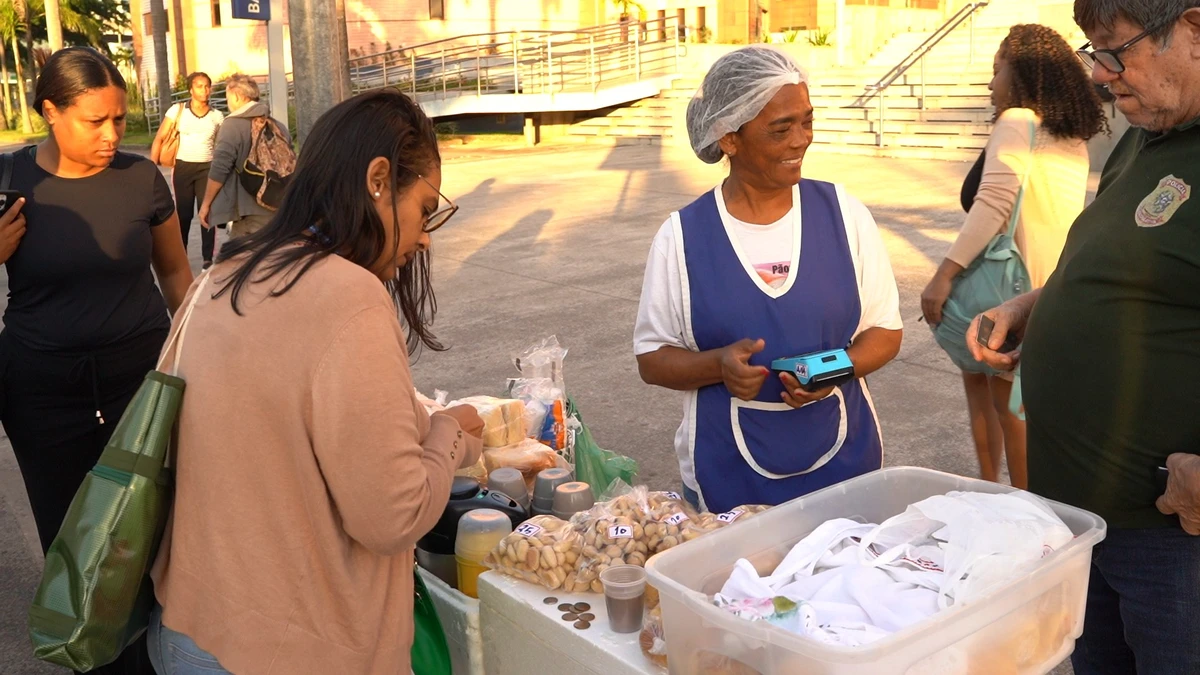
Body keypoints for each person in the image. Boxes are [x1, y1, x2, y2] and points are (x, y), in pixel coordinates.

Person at [148, 88, 484, 675]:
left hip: (184, 628)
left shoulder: (221, 277)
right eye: (425, 210)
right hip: (292, 651)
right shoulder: (351, 298)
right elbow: (393, 517)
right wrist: (448, 433)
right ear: (378, 179)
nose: (427, 236)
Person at [968, 2, 1200, 673]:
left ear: (1192, 27)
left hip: (1170, 540)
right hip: (1077, 517)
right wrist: (1035, 305)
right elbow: (1131, 267)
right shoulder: (1147, 131)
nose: (1100, 76)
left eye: (1115, 50)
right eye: (1091, 51)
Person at [634, 45, 903, 515]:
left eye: (807, 121)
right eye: (781, 128)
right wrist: (717, 365)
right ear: (729, 138)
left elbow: (885, 331)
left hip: (845, 464)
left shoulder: (843, 214)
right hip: (729, 474)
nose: (801, 140)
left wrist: (835, 370)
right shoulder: (683, 236)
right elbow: (653, 359)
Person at [0, 47, 193, 675]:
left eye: (118, 118)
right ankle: (93, 655)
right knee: (71, 532)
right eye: (95, 121)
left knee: (150, 525)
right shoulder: (11, 182)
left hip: (138, 380)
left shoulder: (141, 179)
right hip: (41, 390)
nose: (112, 135)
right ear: (50, 112)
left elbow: (175, 275)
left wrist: (200, 357)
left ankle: (156, 648)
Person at [920, 24, 1107, 490]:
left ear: (1020, 72)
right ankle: (1006, 496)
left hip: (1006, 293)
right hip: (1047, 283)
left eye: (997, 69)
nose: (990, 82)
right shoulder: (1067, 133)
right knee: (1010, 399)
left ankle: (1013, 500)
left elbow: (995, 203)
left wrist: (943, 275)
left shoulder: (1018, 120)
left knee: (1003, 402)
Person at [198, 73, 289, 239]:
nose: (228, 103)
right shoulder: (277, 125)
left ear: (238, 97)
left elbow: (219, 170)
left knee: (237, 261)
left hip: (247, 213)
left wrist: (206, 205)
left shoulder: (232, 126)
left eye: (228, 97)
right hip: (278, 206)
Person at [152, 71, 223, 268]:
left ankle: (207, 258)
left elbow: (222, 145)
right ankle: (181, 254)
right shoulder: (178, 111)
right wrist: (151, 169)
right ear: (191, 90)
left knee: (207, 212)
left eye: (207, 86)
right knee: (183, 214)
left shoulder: (217, 116)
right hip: (183, 167)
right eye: (199, 86)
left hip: (207, 168)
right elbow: (159, 138)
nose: (204, 90)